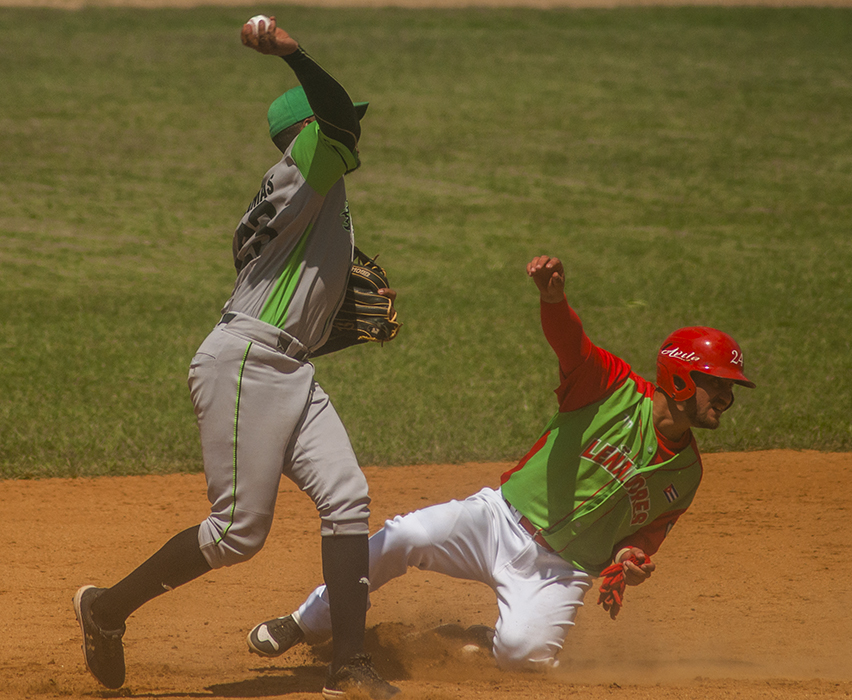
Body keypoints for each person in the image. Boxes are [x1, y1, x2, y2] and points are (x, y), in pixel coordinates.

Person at [73, 16, 399, 700]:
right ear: (304, 132)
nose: (350, 132)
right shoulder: (311, 169)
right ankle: (105, 611)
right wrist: (294, 54)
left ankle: (347, 663)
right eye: (333, 126)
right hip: (248, 364)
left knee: (348, 497)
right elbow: (338, 116)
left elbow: (289, 303)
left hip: (285, 362)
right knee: (236, 534)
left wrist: (329, 330)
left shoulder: (311, 195)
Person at [244, 254, 756, 671]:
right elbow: (570, 344)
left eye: (729, 391)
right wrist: (553, 301)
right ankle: (304, 621)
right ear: (682, 379)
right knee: (403, 538)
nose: (725, 400)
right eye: (718, 386)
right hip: (497, 521)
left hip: (562, 571)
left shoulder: (688, 474)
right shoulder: (613, 387)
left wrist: (630, 561)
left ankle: (481, 640)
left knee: (525, 656)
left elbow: (648, 534)